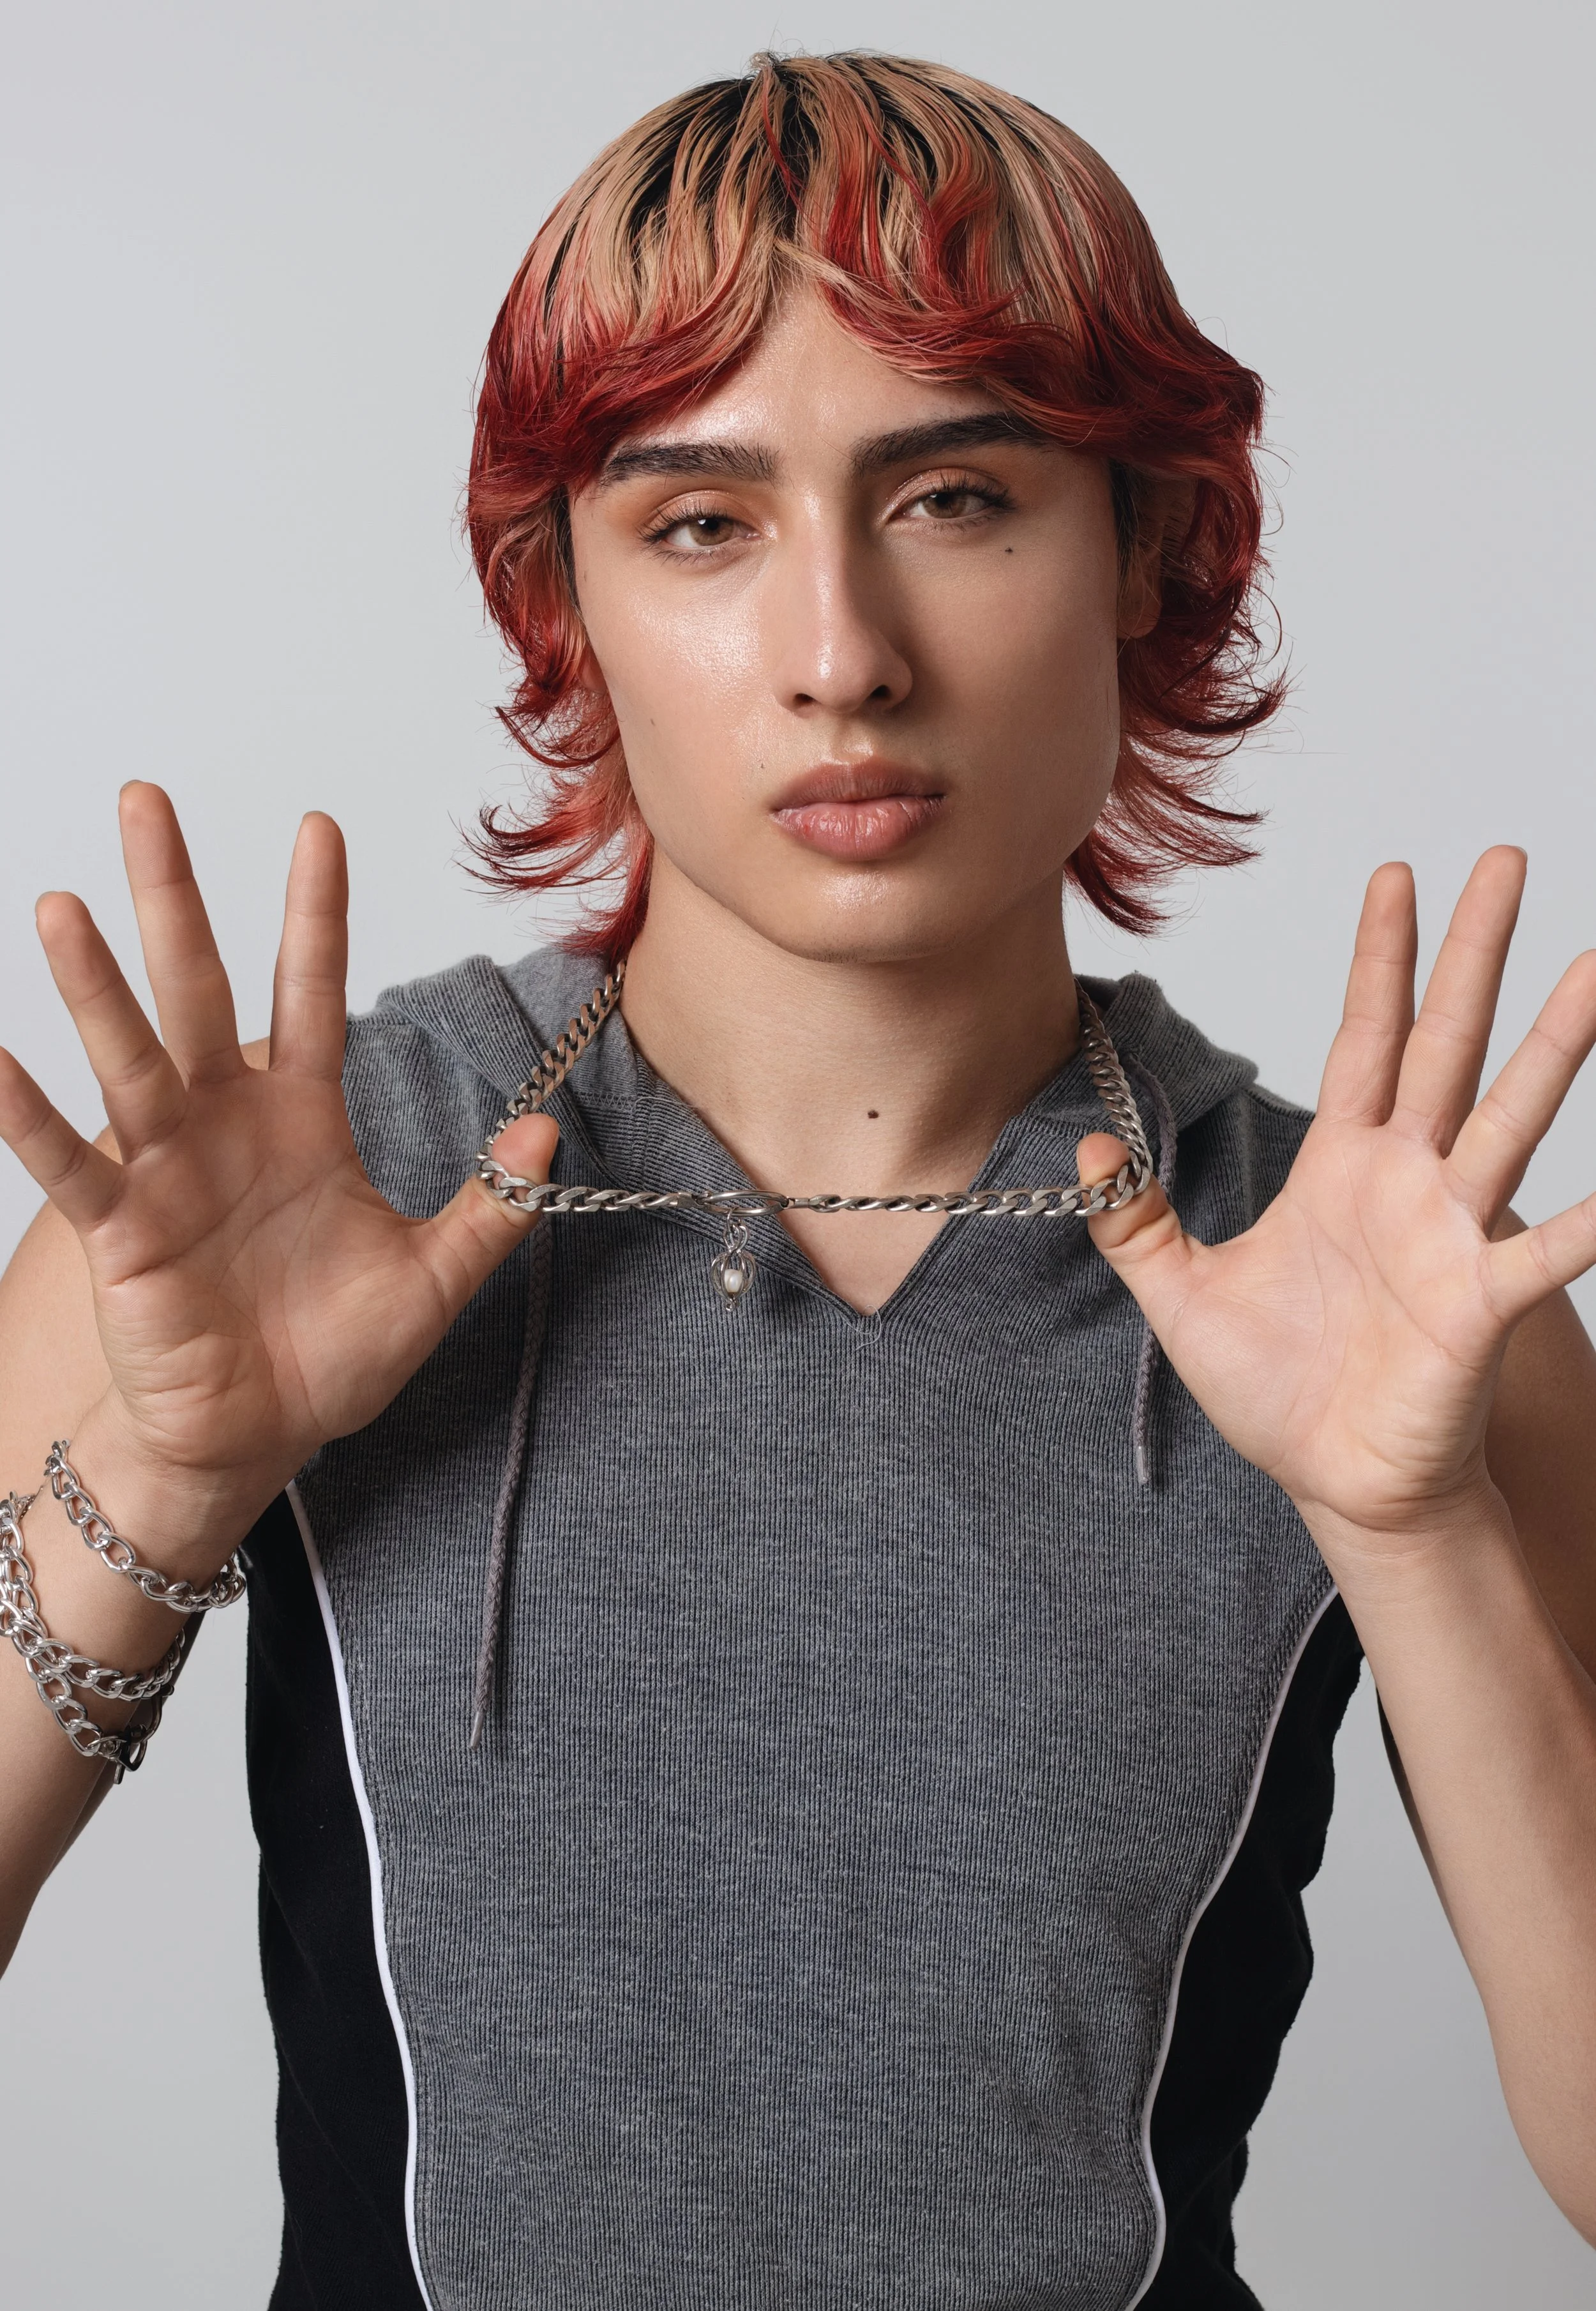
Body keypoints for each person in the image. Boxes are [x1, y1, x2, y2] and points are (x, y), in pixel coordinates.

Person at [1, 49, 1593, 2311]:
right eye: (699, 521)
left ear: (1145, 546)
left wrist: (1411, 1531)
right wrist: (163, 1490)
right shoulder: (289, 1195)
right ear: (566, 594)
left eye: (954, 498)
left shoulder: (1373, 1275)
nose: (839, 655)